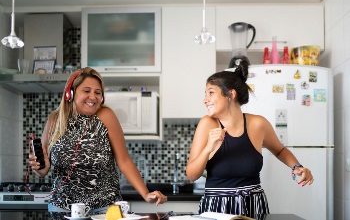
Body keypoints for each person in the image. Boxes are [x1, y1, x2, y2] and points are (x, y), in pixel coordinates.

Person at [29, 67, 167, 214]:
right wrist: (40, 167)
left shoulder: (106, 116)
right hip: (62, 208)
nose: (93, 97)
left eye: (98, 92)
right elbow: (43, 170)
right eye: (87, 91)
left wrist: (146, 194)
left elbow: (124, 160)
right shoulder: (54, 120)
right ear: (70, 93)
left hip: (104, 208)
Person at [186, 62, 314, 217]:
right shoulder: (207, 124)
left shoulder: (258, 124)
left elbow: (280, 150)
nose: (205, 100)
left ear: (230, 94)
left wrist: (296, 166)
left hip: (254, 207)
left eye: (210, 93)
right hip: (217, 209)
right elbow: (191, 175)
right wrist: (208, 148)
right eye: (206, 94)